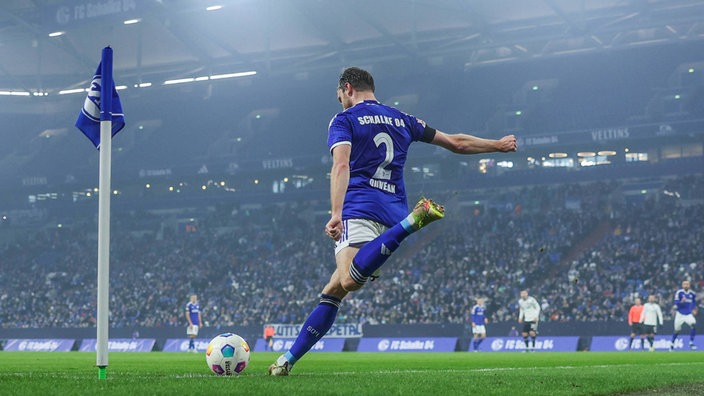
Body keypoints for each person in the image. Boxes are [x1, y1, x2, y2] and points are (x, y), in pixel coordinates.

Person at [268, 67, 517, 375]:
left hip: (360, 208)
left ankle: (413, 222)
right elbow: (457, 143)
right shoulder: (403, 119)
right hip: (391, 214)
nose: (340, 102)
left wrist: (335, 213)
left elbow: (341, 163)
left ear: (347, 88)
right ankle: (286, 362)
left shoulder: (344, 120)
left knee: (346, 280)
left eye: (339, 96)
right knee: (333, 290)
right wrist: (498, 144)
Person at [670, 280, 697, 351]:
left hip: (688, 313)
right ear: (682, 285)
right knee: (677, 330)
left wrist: (693, 308)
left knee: (693, 324)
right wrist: (681, 302)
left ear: (689, 285)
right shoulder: (679, 293)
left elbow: (694, 302)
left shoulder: (692, 294)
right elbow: (675, 303)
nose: (686, 285)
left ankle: (691, 342)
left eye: (687, 284)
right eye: (684, 284)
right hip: (680, 314)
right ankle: (672, 344)